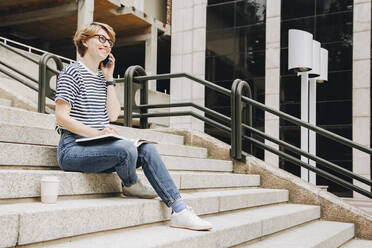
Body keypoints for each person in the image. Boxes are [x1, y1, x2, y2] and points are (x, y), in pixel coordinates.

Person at [54, 22, 212, 231]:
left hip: (97, 146)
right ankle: (130, 183)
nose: (107, 44)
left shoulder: (102, 79)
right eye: (101, 38)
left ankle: (179, 209)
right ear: (84, 41)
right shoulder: (71, 72)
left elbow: (112, 114)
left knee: (147, 148)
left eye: (110, 42)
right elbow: (61, 118)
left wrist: (109, 79)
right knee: (126, 148)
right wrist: (97, 133)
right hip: (72, 149)